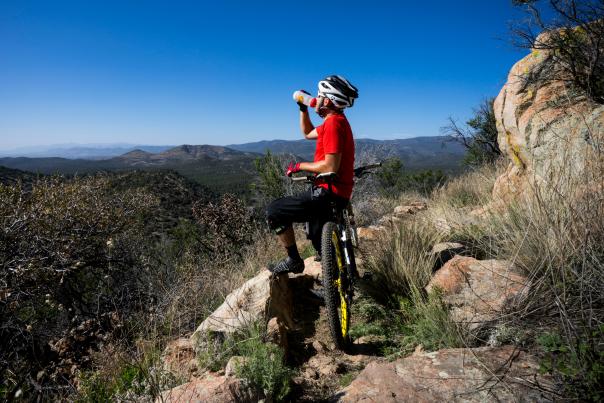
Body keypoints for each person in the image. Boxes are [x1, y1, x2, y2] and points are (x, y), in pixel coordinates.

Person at [266, 75, 359, 274]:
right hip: (336, 192)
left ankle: (293, 260)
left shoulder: (333, 124)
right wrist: (303, 108)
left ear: (327, 100)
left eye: (319, 96)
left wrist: (300, 165)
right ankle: (335, 281)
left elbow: (330, 166)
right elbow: (307, 133)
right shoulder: (334, 122)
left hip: (328, 192)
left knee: (274, 212)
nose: (315, 99)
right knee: (321, 243)